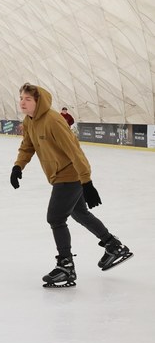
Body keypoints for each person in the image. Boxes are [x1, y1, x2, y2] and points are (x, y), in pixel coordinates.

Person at [10, 83, 132, 288]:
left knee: (56, 217)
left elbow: (75, 151)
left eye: (27, 99)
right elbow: (27, 146)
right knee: (80, 213)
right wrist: (18, 167)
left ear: (38, 101)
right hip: (59, 175)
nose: (22, 102)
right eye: (21, 98)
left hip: (69, 174)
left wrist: (87, 182)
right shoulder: (30, 121)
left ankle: (66, 266)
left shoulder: (53, 121)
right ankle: (113, 245)